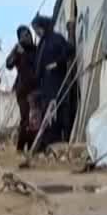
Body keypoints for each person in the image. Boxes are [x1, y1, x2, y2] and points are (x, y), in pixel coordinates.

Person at [31, 15, 75, 149]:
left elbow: (70, 50)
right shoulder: (43, 42)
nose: (36, 32)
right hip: (46, 83)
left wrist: (56, 63)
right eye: (35, 30)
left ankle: (56, 139)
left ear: (43, 26)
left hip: (56, 80)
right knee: (47, 112)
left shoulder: (56, 38)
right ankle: (47, 141)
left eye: (37, 29)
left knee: (56, 110)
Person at [6, 25, 40, 151]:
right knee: (25, 118)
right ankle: (20, 146)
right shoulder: (18, 50)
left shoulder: (36, 50)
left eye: (28, 34)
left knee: (34, 119)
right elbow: (8, 64)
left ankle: (31, 146)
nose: (27, 37)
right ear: (19, 38)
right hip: (22, 89)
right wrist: (16, 52)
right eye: (23, 36)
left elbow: (37, 64)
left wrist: (25, 54)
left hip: (36, 88)